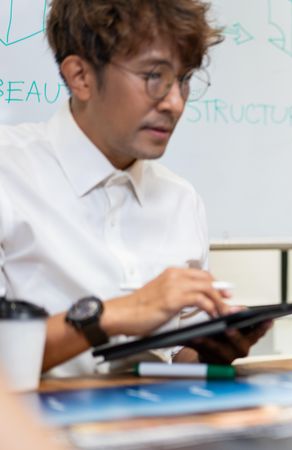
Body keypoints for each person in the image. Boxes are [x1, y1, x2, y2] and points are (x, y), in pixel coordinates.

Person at [0, 0, 269, 377]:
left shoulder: (181, 201)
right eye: (154, 76)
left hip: (154, 428)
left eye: (184, 79)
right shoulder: (8, 173)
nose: (175, 103)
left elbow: (175, 360)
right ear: (81, 77)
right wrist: (112, 316)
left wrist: (211, 350)